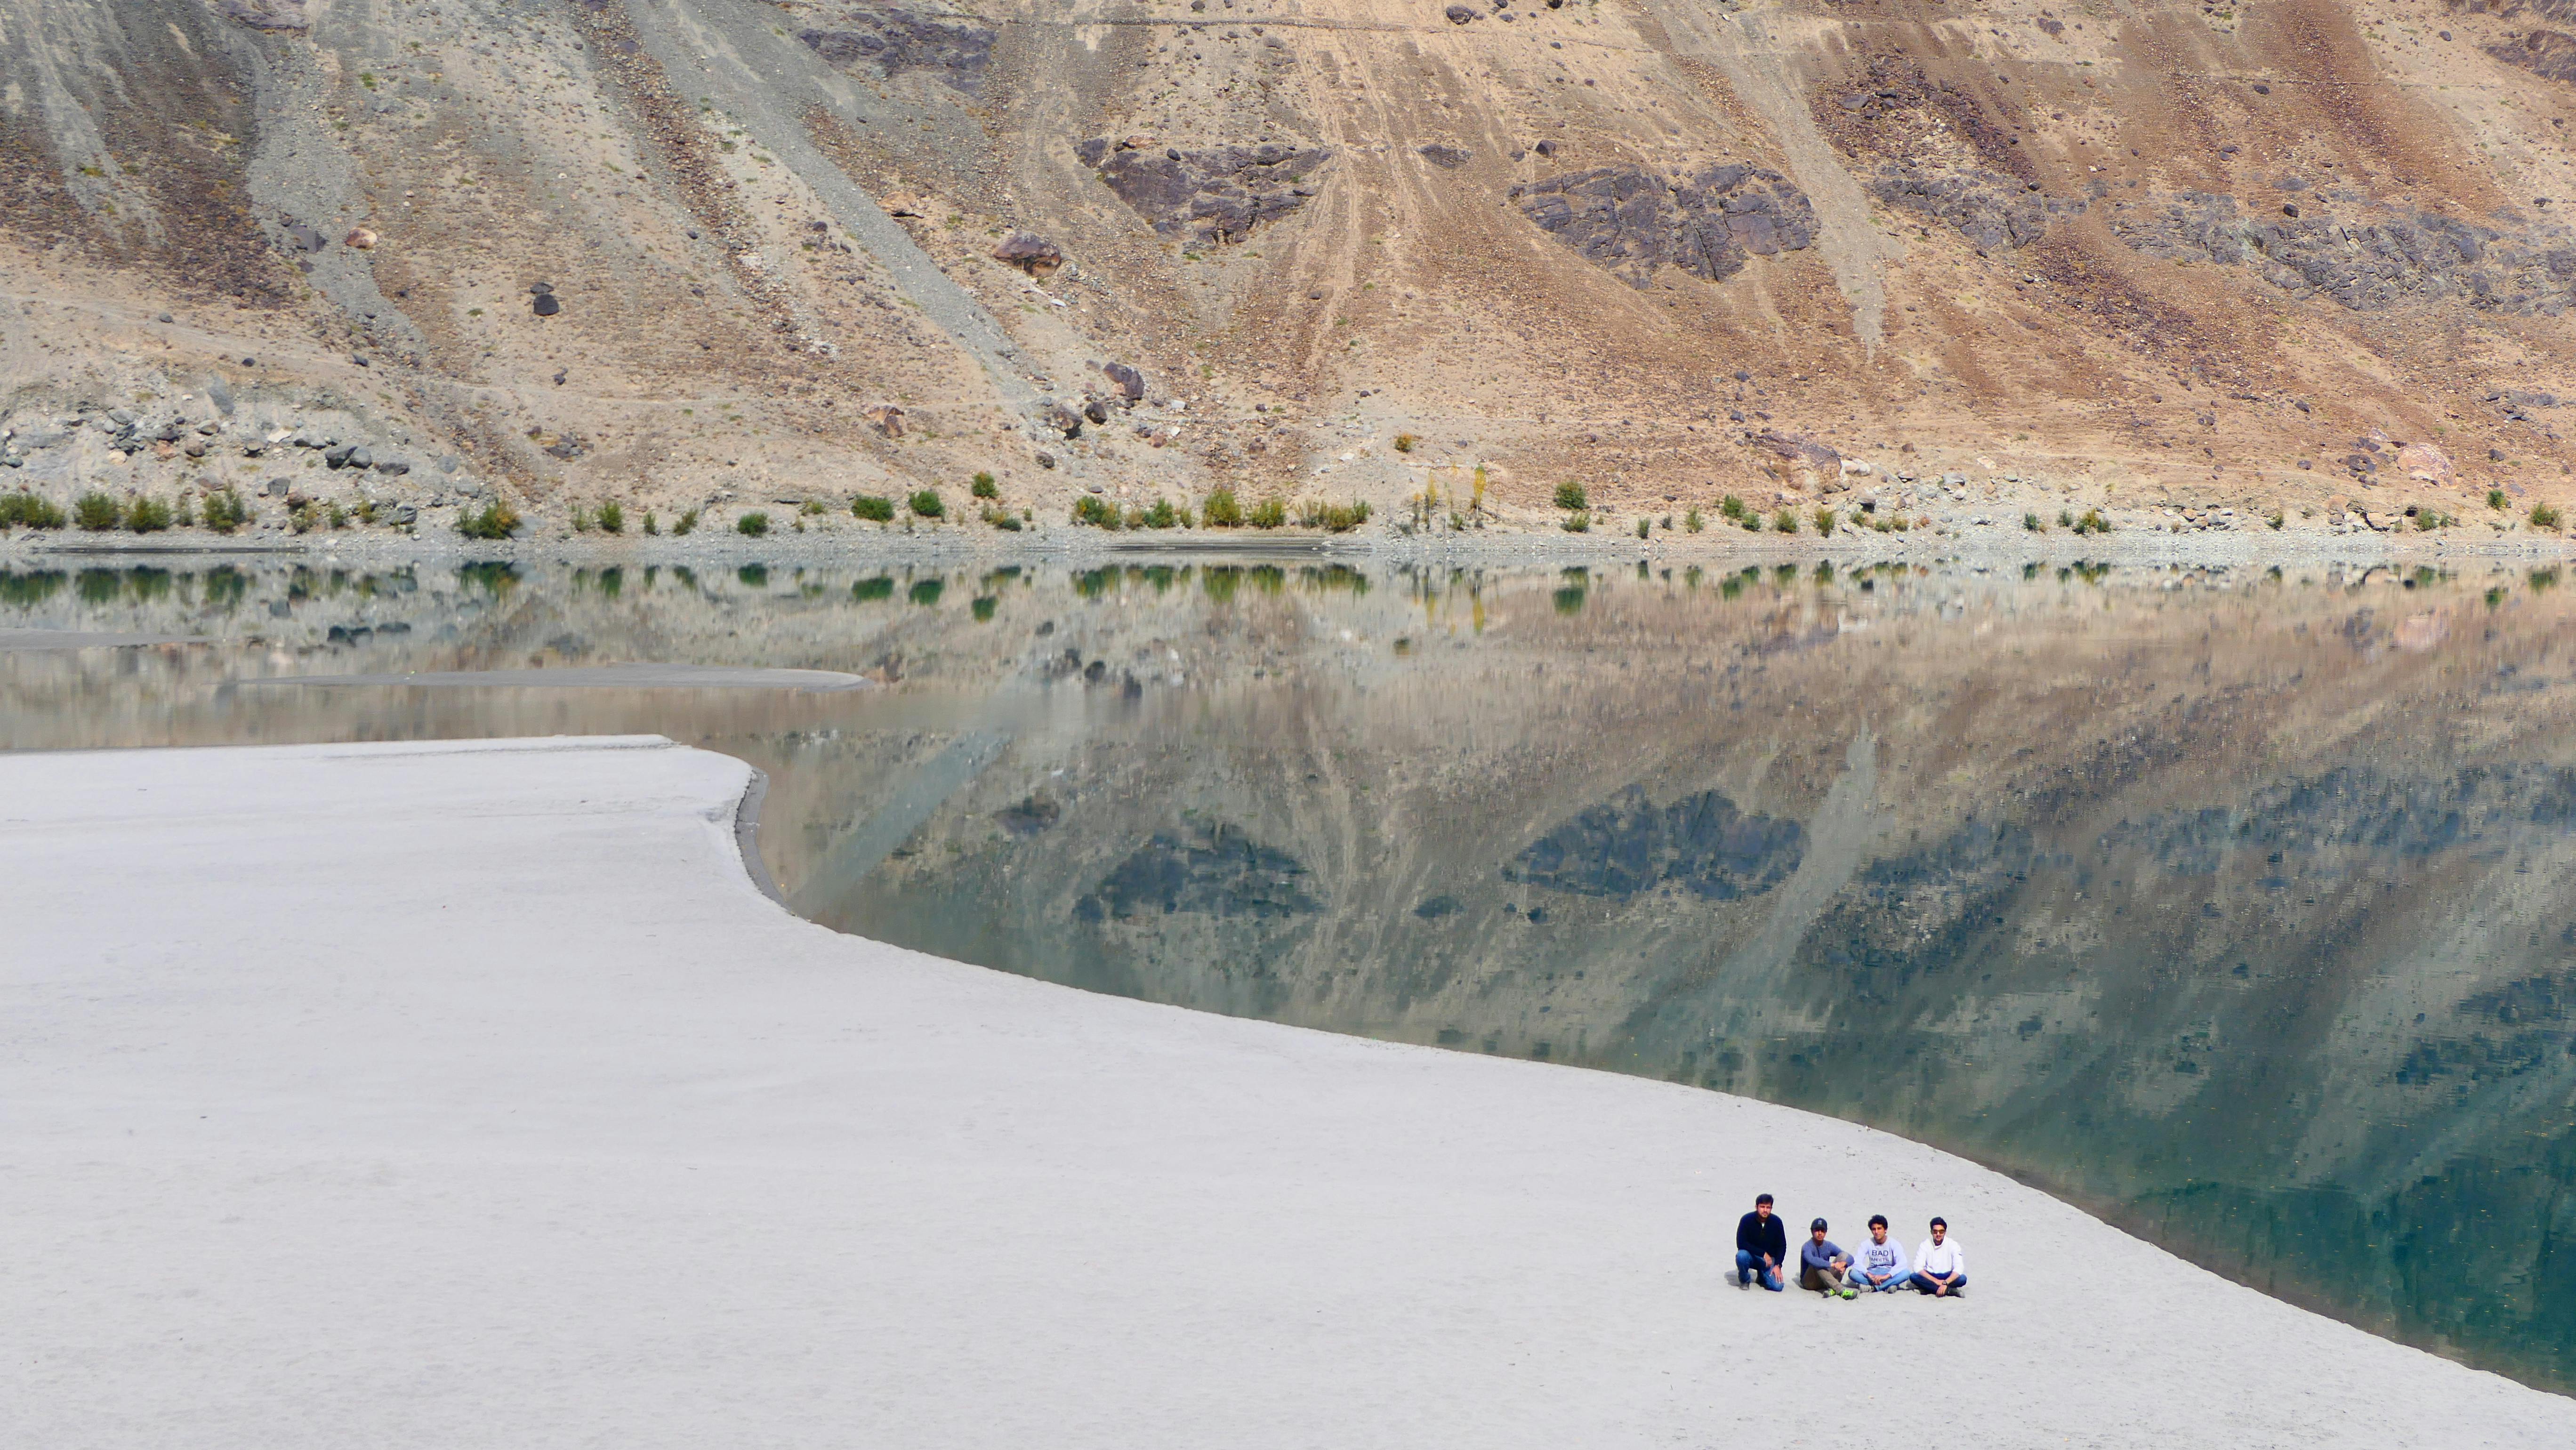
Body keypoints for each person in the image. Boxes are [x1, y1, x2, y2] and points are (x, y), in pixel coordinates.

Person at [1734, 1193, 1787, 1291]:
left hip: (1769, 1261)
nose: (1765, 1210)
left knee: (1778, 1287)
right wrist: (1762, 1253)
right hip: (1751, 1256)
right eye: (1762, 1207)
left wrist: (1778, 1265)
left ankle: (1762, 1276)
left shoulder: (1777, 1222)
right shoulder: (1746, 1220)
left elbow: (1782, 1246)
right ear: (1757, 1207)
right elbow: (1741, 1243)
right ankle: (1745, 1280)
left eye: (1768, 1207)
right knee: (1741, 1256)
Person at [1850, 1214, 1910, 1292]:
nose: (1876, 1232)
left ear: (1885, 1230)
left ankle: (1873, 1288)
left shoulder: (1894, 1243)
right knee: (1852, 1273)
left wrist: (1887, 1276)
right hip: (1872, 1273)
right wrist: (1868, 1274)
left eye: (1879, 1229)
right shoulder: (1867, 1243)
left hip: (1888, 1272)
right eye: (1874, 1229)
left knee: (1906, 1273)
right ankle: (1888, 1286)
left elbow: (1902, 1262)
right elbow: (1857, 1262)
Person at [1909, 1217, 1967, 1297]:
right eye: (1935, 1232)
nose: (1938, 1234)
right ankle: (1949, 1291)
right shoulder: (1925, 1245)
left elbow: (1959, 1268)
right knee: (1914, 1277)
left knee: (1963, 1279)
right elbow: (1917, 1267)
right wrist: (1936, 1281)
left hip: (1947, 1276)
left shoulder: (1953, 1245)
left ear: (1945, 1232)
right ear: (1931, 1232)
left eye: (1941, 1232)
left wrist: (1945, 1283)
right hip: (1931, 1276)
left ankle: (1927, 1289)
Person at [1799, 1218, 1856, 1299]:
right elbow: (1811, 1260)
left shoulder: (1828, 1245)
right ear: (1812, 1231)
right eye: (1817, 1230)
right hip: (1810, 1282)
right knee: (1818, 1264)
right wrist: (1832, 1265)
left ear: (1826, 1232)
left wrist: (1843, 1265)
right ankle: (1841, 1290)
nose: (1820, 1233)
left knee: (1843, 1255)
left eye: (1822, 1231)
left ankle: (1832, 1289)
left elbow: (1850, 1257)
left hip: (1825, 1279)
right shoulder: (1807, 1246)